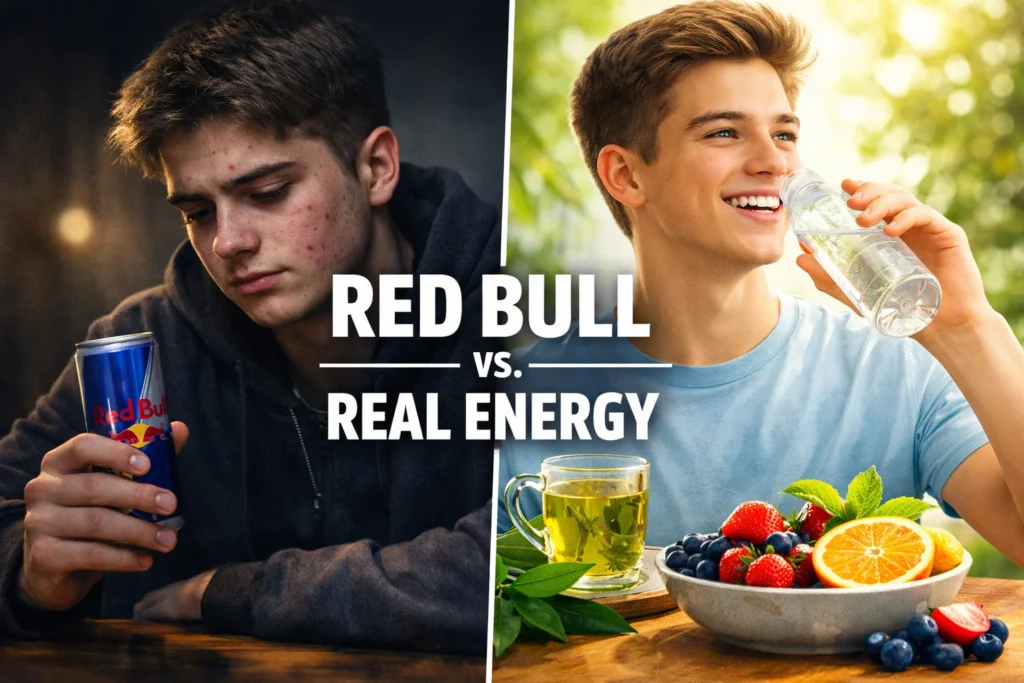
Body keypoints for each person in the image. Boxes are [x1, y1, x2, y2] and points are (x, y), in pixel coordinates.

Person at [0, 0, 499, 654]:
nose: (228, 242)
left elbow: (532, 563)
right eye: (198, 210)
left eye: (267, 193)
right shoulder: (145, 342)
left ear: (376, 167)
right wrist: (32, 574)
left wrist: (236, 590)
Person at [498, 0, 1024, 569]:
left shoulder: (892, 367)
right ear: (626, 175)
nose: (773, 162)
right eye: (724, 132)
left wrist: (967, 327)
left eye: (784, 133)